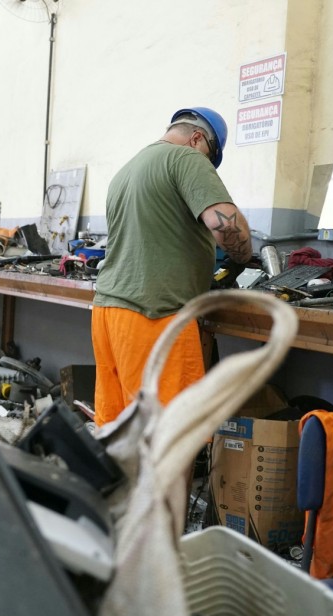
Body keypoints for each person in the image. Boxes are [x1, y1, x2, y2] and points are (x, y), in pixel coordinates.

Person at [91, 107, 252, 426]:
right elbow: (225, 227)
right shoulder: (188, 158)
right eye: (210, 157)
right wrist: (244, 254)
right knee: (169, 437)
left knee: (119, 432)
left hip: (109, 313)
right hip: (154, 315)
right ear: (197, 139)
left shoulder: (127, 169)